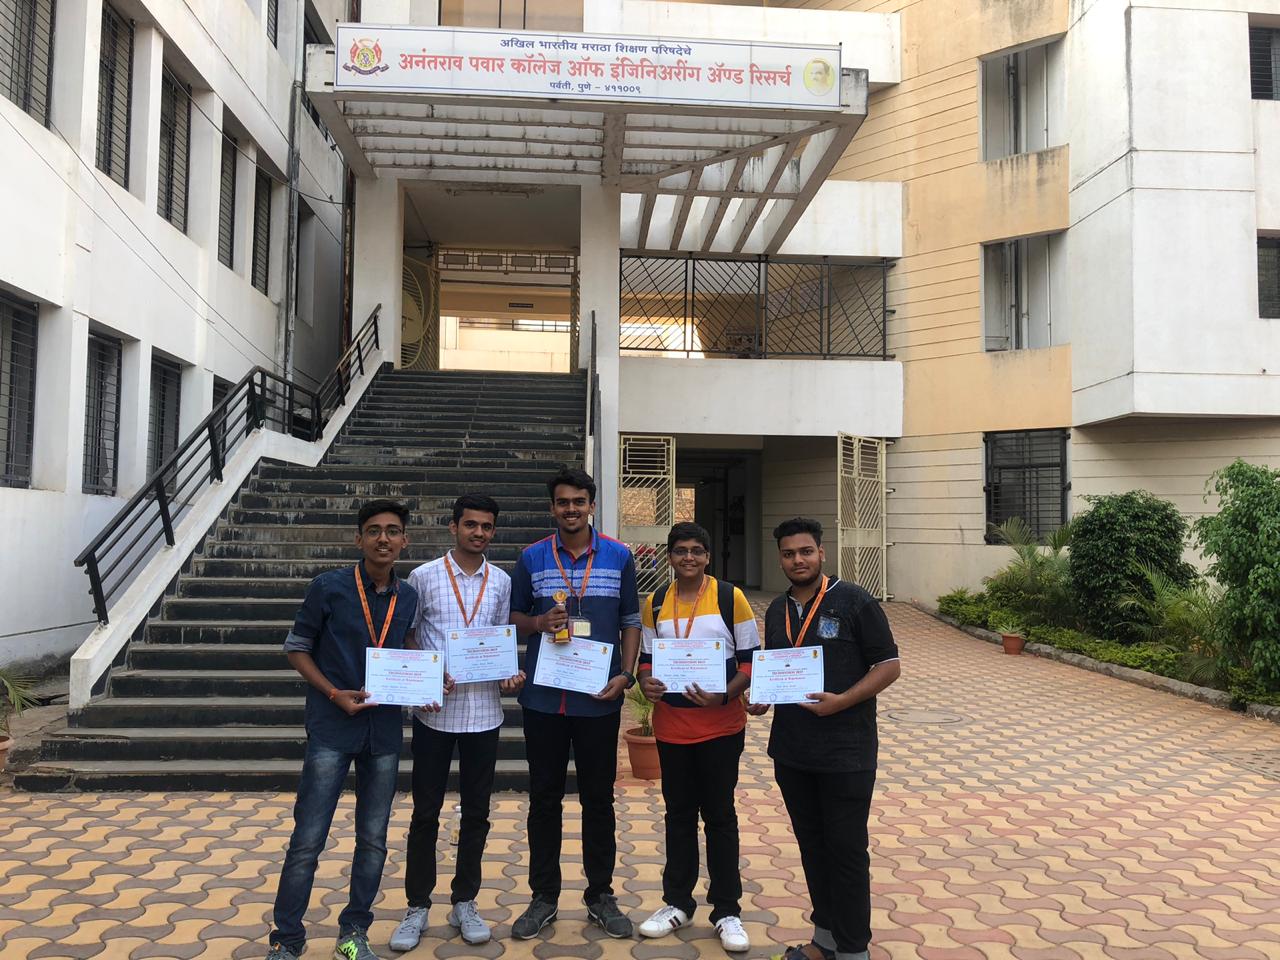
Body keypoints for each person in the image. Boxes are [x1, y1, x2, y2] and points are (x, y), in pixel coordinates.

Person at [265, 500, 422, 960]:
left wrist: (430, 679)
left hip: (383, 731)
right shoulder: (328, 587)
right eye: (373, 530)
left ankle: (353, 933)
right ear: (359, 539)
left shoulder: (408, 596)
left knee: (373, 840)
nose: (383, 539)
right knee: (308, 840)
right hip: (332, 727)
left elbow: (405, 644)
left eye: (392, 531)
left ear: (404, 541)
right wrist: (334, 693)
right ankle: (287, 940)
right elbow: (296, 649)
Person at [753, 518, 901, 960]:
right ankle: (825, 942)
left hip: (846, 754)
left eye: (805, 552)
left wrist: (842, 702)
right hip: (793, 752)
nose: (797, 560)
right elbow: (778, 668)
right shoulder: (777, 609)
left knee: (847, 853)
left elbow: (889, 666)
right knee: (813, 849)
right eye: (788, 554)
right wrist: (762, 698)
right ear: (780, 558)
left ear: (821, 553)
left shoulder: (854, 600)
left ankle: (854, 951)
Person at [508, 467, 641, 940]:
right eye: (563, 502)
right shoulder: (532, 557)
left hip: (598, 699)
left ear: (591, 506)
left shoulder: (619, 555)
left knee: (598, 799)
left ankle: (600, 895)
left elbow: (630, 621)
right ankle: (543, 897)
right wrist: (539, 622)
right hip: (544, 700)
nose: (571, 509)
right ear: (552, 508)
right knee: (543, 799)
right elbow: (515, 616)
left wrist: (625, 675)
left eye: (579, 501)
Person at [389, 494, 525, 952]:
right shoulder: (424, 577)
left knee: (477, 813)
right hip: (435, 714)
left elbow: (500, 640)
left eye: (486, 526)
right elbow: (408, 636)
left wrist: (508, 673)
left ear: (493, 531)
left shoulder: (501, 581)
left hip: (484, 712)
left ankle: (465, 900)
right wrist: (428, 674)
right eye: (471, 525)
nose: (478, 533)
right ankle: (417, 905)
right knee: (425, 813)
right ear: (453, 527)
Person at [636, 522, 759, 953]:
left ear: (707, 556)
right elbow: (646, 660)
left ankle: (726, 910)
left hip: (721, 728)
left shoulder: (730, 597)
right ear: (669, 556)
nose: (688, 557)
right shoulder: (655, 602)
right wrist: (646, 681)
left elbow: (750, 660)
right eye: (680, 550)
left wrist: (725, 694)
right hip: (672, 729)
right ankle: (677, 903)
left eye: (696, 551)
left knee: (720, 817)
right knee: (679, 816)